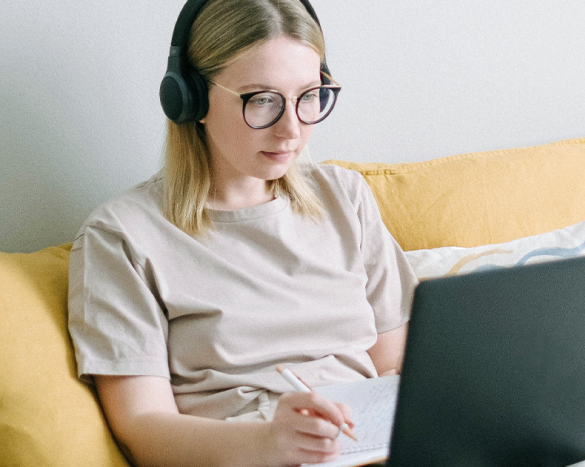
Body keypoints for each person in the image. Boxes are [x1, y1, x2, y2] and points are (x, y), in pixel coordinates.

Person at [67, 0, 417, 466]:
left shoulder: (345, 197)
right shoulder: (122, 236)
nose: (292, 130)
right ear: (190, 98)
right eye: (263, 100)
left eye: (309, 96)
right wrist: (270, 443)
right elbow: (142, 427)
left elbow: (396, 367)